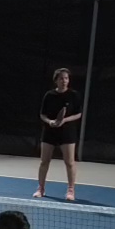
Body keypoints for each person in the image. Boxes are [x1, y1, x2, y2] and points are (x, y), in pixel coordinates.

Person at [35, 67, 82, 201]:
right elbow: (42, 114)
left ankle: (71, 190)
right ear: (56, 80)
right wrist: (50, 122)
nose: (64, 81)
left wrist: (64, 120)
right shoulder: (49, 95)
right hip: (49, 132)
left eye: (66, 78)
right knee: (44, 161)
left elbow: (78, 114)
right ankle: (41, 188)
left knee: (69, 162)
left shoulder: (74, 95)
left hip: (67, 132)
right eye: (61, 78)